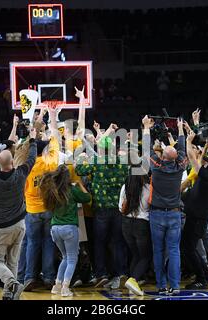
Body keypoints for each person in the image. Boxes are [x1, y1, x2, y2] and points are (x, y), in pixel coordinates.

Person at [75, 124, 129, 289]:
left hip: (101, 210)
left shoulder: (96, 162)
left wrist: (81, 157)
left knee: (99, 243)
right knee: (118, 242)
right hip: (119, 209)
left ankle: (101, 274)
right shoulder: (122, 162)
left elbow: (79, 170)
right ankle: (121, 273)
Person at [0, 128, 37, 300]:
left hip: (0, 226)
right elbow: (31, 158)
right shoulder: (21, 174)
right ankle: (10, 293)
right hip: (20, 224)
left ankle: (11, 283)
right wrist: (33, 141)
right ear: (12, 161)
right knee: (13, 261)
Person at [142, 115, 186, 295]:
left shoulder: (157, 167)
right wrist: (180, 129)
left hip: (157, 214)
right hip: (175, 214)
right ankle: (175, 286)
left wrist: (146, 127)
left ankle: (161, 284)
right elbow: (182, 149)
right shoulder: (180, 167)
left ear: (163, 156)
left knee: (158, 250)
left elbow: (146, 150)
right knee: (174, 250)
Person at [23, 107, 60, 291]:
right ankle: (49, 277)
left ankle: (29, 277)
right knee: (48, 243)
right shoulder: (50, 162)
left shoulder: (26, 165)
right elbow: (55, 139)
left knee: (32, 243)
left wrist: (35, 125)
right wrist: (51, 117)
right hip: (49, 208)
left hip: (31, 210)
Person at [40, 165, 91, 297]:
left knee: (65, 257)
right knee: (72, 259)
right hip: (69, 228)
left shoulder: (52, 190)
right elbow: (87, 198)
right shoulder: (72, 190)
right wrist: (80, 185)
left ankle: (57, 285)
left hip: (55, 228)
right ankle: (65, 287)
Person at [182, 131, 208, 289]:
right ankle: (206, 275)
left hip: (196, 217)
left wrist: (188, 142)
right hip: (200, 217)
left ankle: (201, 279)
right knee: (191, 247)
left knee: (188, 248)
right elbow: (200, 161)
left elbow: (193, 159)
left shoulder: (206, 177)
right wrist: (205, 147)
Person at [118, 167, 151, 296]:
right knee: (145, 256)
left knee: (136, 254)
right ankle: (134, 280)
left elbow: (121, 208)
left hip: (126, 223)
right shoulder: (148, 188)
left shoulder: (124, 188)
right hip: (141, 224)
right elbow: (151, 205)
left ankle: (132, 283)